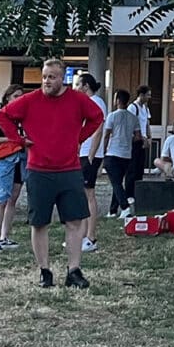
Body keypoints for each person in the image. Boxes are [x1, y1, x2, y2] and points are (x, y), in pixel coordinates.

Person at [0, 59, 106, 289]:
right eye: (44, 77)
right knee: (39, 222)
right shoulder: (30, 100)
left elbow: (97, 117)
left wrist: (79, 137)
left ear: (62, 79)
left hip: (69, 169)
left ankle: (74, 270)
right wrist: (18, 140)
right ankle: (44, 271)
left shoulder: (77, 100)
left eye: (52, 77)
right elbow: (3, 116)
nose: (47, 81)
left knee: (75, 221)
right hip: (39, 170)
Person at [0, 89, 25, 252]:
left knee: (12, 199)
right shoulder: (1, 116)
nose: (19, 99)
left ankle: (5, 236)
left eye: (21, 96)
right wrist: (11, 139)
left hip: (19, 159)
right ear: (8, 97)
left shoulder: (21, 118)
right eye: (16, 96)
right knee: (1, 199)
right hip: (4, 160)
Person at [75, 73, 105, 252]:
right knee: (83, 195)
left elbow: (99, 130)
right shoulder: (87, 102)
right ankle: (84, 235)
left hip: (89, 155)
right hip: (83, 152)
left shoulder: (96, 102)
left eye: (78, 84)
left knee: (89, 194)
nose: (76, 88)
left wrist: (92, 155)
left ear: (86, 86)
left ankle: (91, 237)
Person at [101, 89, 139, 217]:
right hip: (126, 154)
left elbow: (106, 135)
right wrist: (128, 139)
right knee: (117, 182)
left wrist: (103, 150)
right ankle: (112, 211)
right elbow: (138, 136)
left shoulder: (112, 116)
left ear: (117, 100)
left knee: (115, 183)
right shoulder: (133, 118)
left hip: (113, 153)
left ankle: (124, 206)